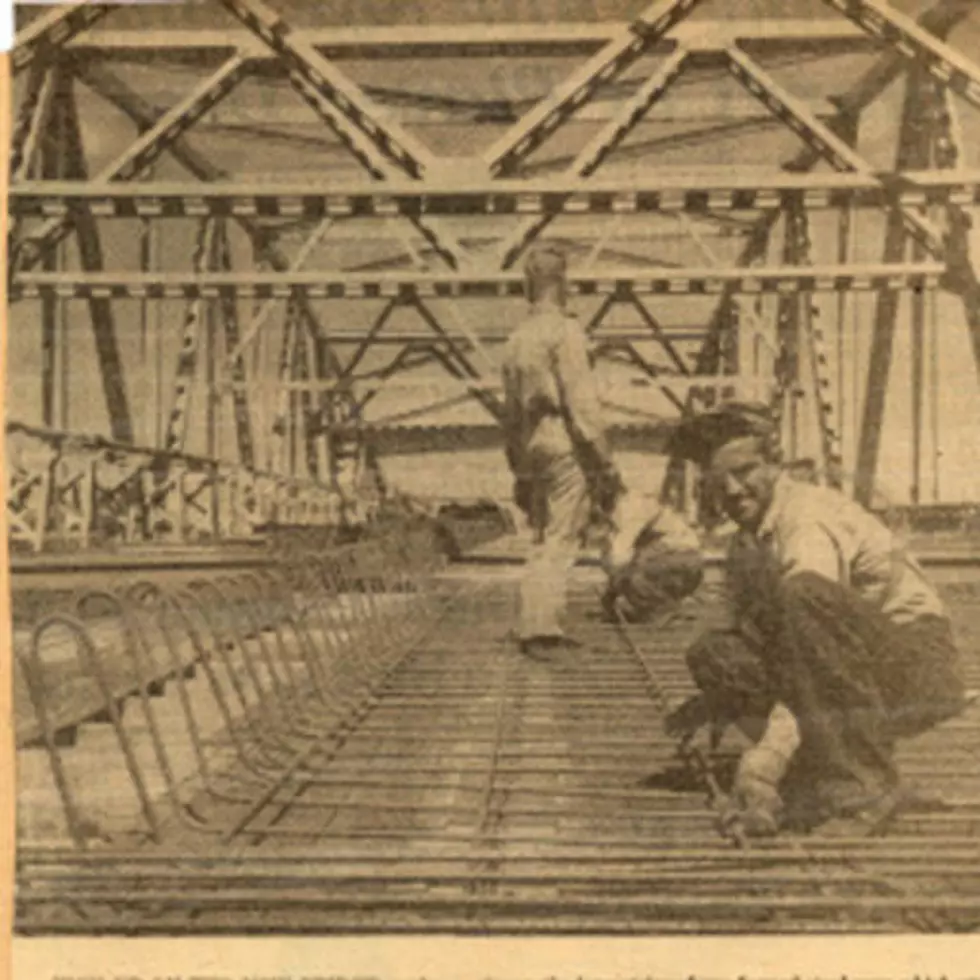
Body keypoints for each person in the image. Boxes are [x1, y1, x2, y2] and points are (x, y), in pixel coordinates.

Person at [663, 401, 971, 836]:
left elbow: (810, 645)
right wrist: (717, 698)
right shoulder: (749, 541)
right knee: (715, 653)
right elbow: (771, 647)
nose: (732, 490)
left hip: (920, 670)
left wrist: (762, 763)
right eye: (718, 482)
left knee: (803, 596)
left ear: (776, 465)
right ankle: (820, 765)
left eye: (746, 471)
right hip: (858, 667)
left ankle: (862, 786)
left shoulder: (806, 520)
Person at [500, 243, 621, 654]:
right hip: (562, 439)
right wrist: (605, 459)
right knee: (561, 538)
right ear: (563, 284)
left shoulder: (516, 338)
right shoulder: (566, 332)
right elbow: (581, 402)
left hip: (532, 444)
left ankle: (534, 622)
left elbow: (511, 413)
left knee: (540, 536)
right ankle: (542, 629)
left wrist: (517, 464)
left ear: (527, 287)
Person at [601, 488, 704, 624]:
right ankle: (658, 609)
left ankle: (663, 610)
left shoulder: (631, 506)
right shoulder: (628, 505)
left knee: (631, 574)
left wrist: (612, 591)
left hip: (681, 559)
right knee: (631, 568)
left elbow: (617, 557)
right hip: (684, 562)